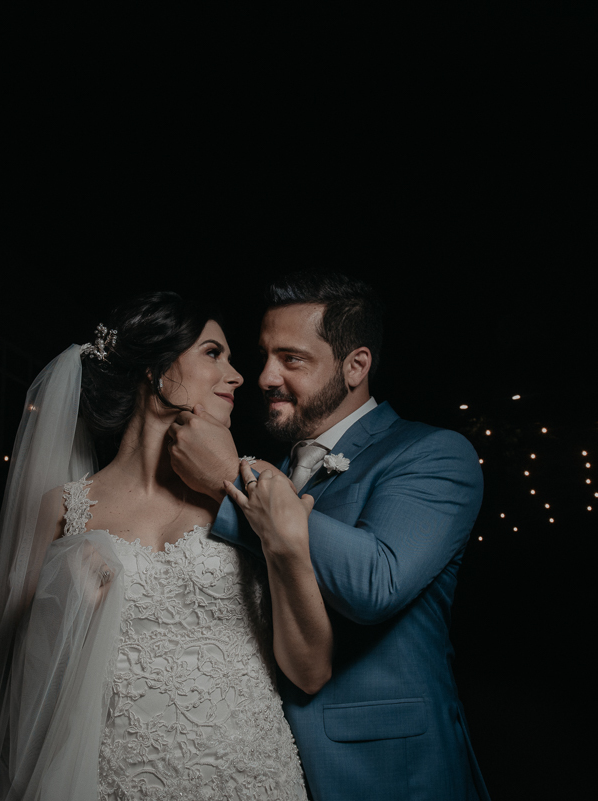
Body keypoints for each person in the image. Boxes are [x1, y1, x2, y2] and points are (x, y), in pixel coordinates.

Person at [0, 291, 330, 800]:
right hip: (111, 776)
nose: (238, 375)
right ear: (155, 370)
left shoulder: (258, 487)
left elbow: (311, 670)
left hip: (249, 772)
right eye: (212, 353)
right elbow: (16, 685)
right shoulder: (62, 509)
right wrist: (63, 607)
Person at [167, 272, 492, 800]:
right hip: (261, 761)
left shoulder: (433, 454)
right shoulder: (273, 468)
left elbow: (376, 581)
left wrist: (230, 476)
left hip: (385, 768)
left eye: (292, 359)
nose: (266, 376)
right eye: (265, 355)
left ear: (356, 365)